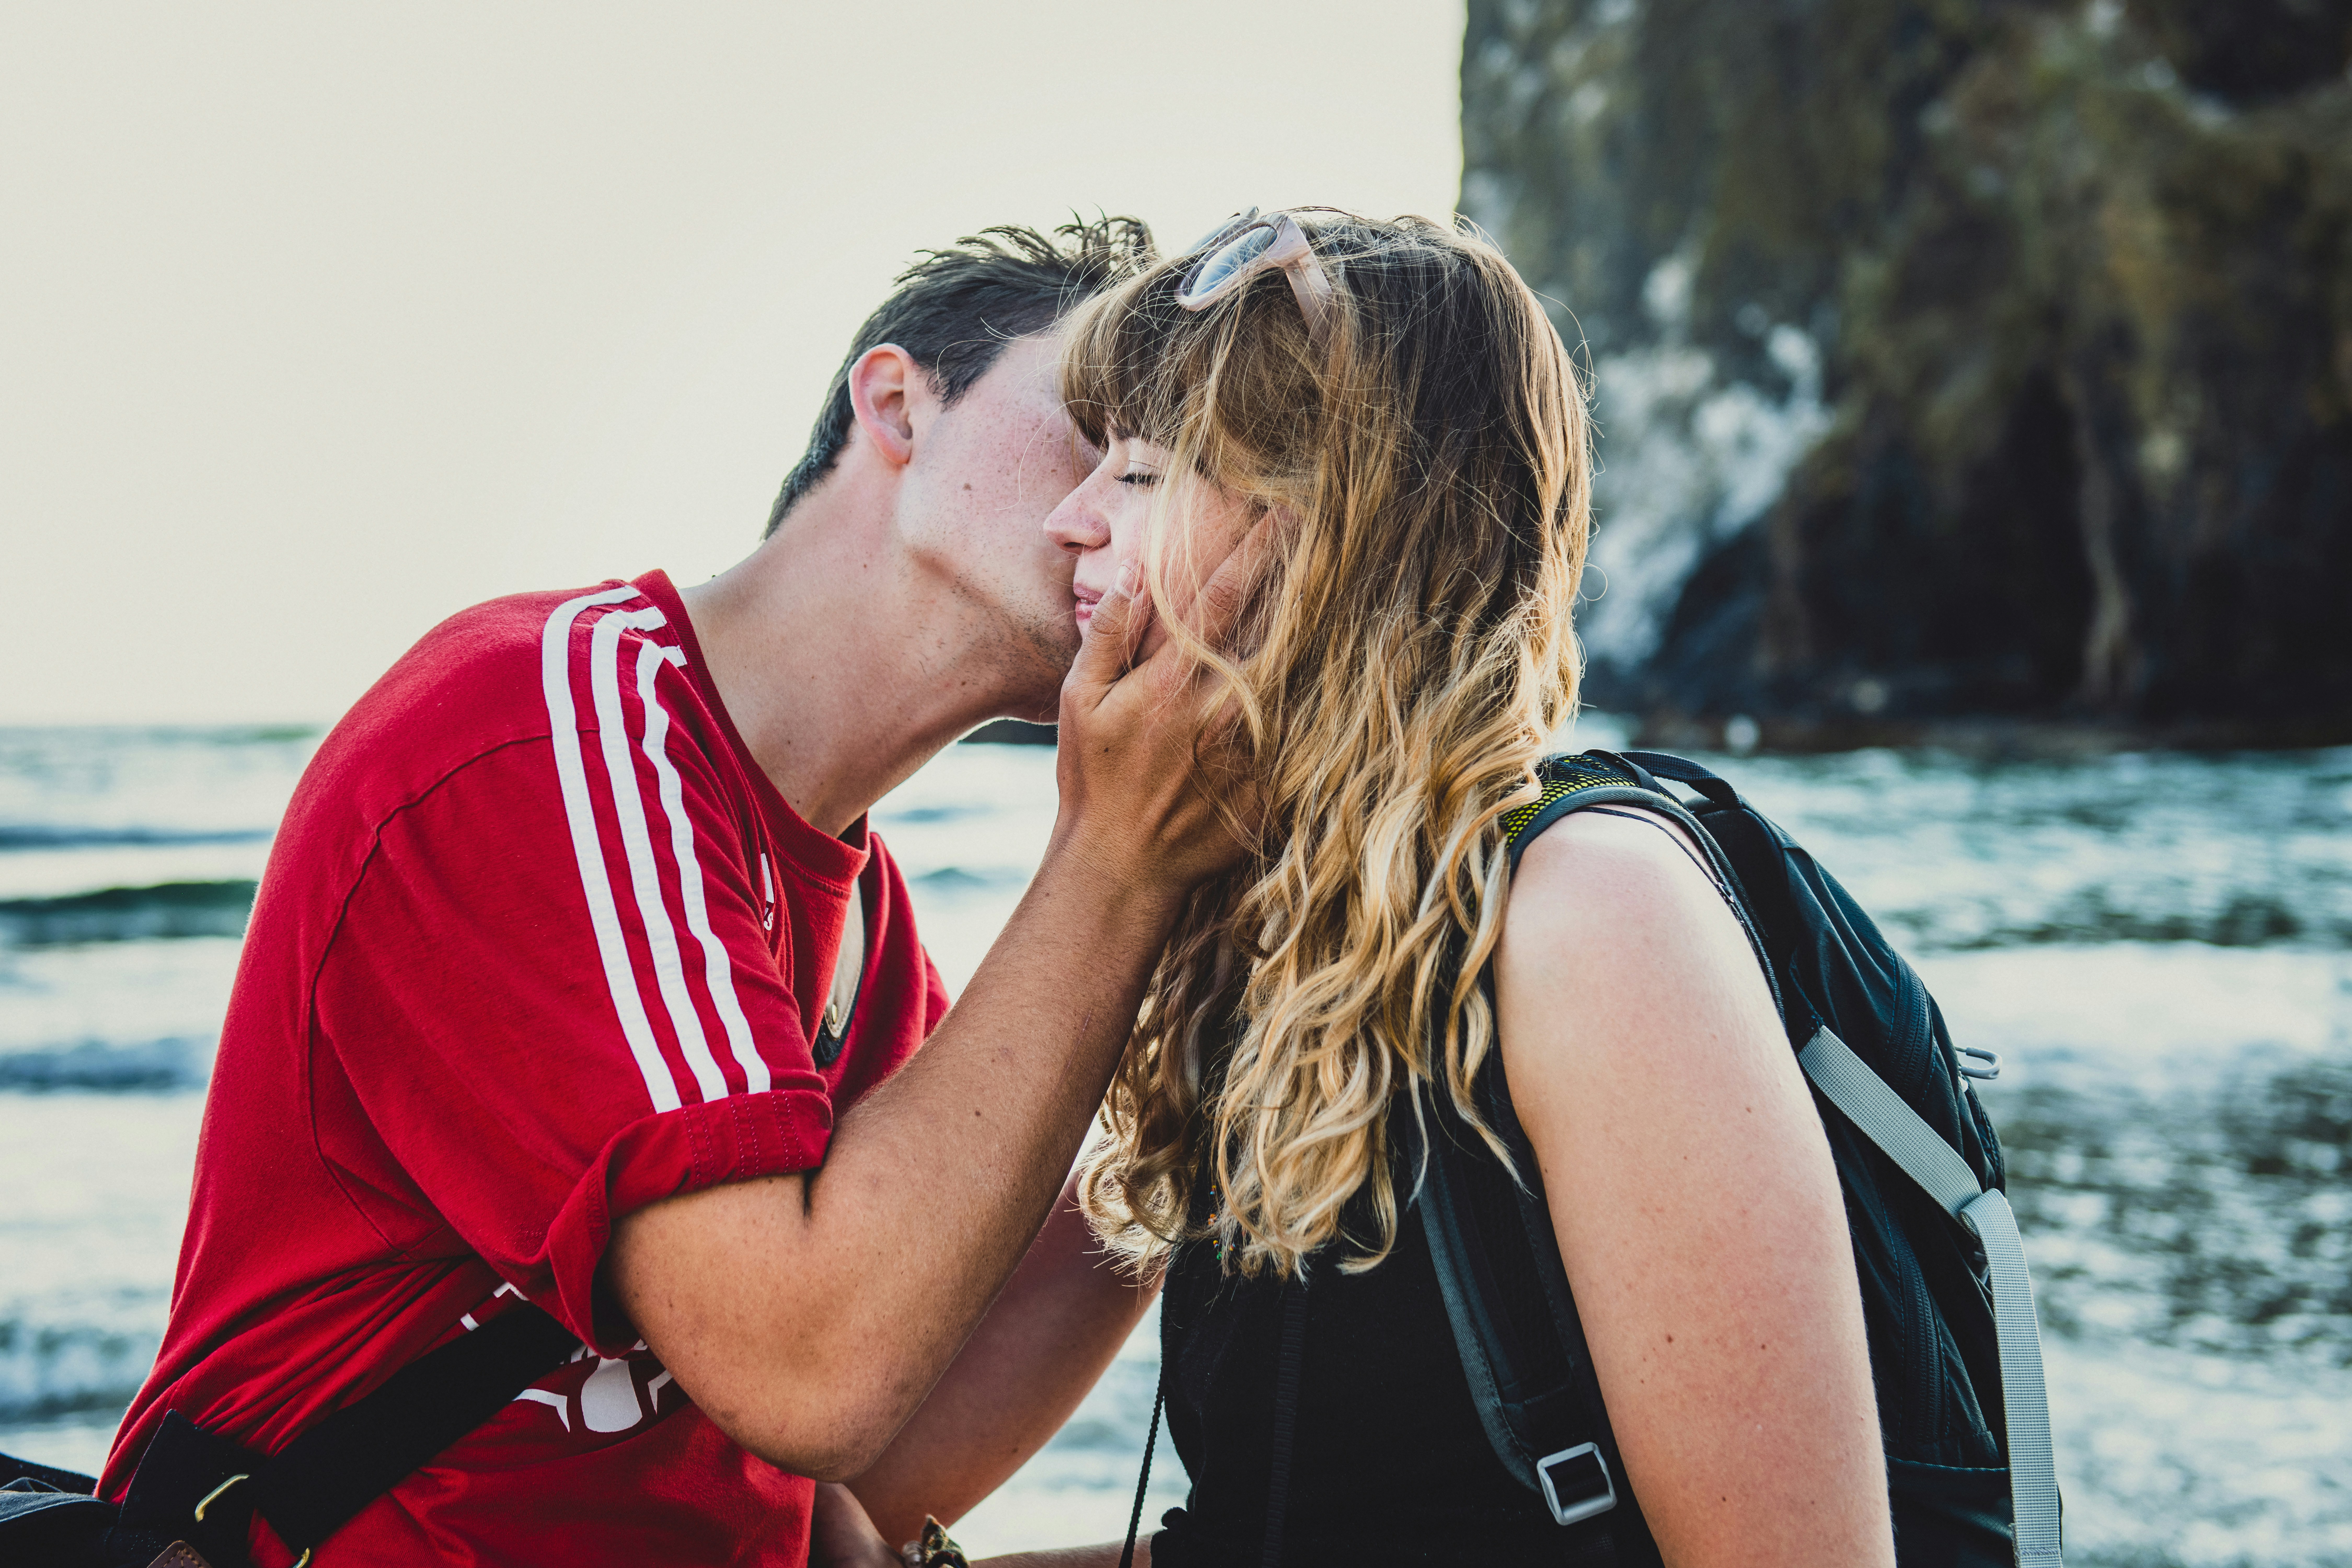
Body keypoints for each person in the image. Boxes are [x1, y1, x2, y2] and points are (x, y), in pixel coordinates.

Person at [97, 216, 1268, 1567]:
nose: (1134, 505)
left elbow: (874, 1464)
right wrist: (1115, 862)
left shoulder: (862, 916)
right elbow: (809, 1371)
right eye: (1106, 427)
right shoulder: (547, 736)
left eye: (1174, 470)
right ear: (897, 404)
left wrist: (1209, 1047)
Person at [811, 211, 1895, 1566]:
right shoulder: (1250, 942)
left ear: (1331, 535)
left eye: (1140, 474)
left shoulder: (1586, 921)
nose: (1071, 519)